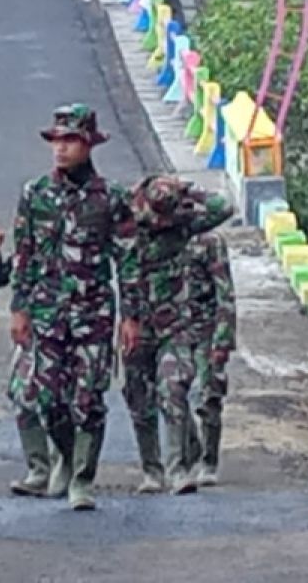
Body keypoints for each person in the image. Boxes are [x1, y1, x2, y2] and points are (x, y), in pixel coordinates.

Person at [10, 103, 136, 511]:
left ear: (88, 145)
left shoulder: (111, 198)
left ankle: (83, 478)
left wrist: (130, 317)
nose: (60, 149)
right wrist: (20, 308)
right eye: (57, 140)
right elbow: (24, 255)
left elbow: (127, 259)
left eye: (70, 141)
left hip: (94, 314)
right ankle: (63, 454)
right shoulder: (36, 195)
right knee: (47, 399)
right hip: (47, 312)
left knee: (89, 399)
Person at [119, 175, 233, 495]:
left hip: (178, 326)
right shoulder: (133, 227)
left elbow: (224, 207)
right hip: (140, 323)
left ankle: (177, 470)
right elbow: (124, 272)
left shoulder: (186, 229)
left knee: (173, 388)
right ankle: (151, 470)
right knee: (138, 397)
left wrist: (185, 188)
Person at [0, 226, 68, 499]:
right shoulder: (28, 253)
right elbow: (0, 277)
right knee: (22, 395)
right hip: (32, 333)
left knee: (57, 399)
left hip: (66, 331)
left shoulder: (73, 247)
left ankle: (63, 466)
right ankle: (38, 469)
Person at [186, 229, 237, 486]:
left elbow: (225, 293)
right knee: (171, 393)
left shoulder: (209, 241)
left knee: (208, 393)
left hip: (207, 328)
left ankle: (209, 460)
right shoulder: (159, 236)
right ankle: (190, 449)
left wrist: (223, 339)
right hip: (174, 328)